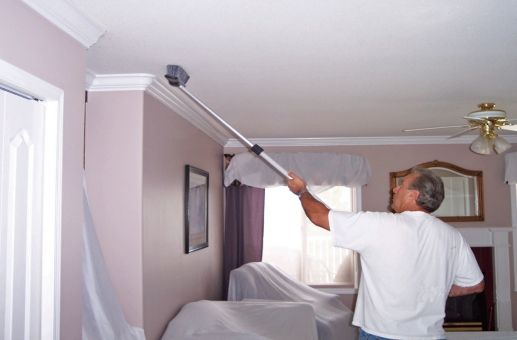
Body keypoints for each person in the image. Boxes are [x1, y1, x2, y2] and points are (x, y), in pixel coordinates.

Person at [287, 167, 484, 340]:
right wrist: (438, 289)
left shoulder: (381, 225)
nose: (394, 189)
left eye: (401, 186)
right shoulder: (452, 235)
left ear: (413, 196)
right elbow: (476, 285)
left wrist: (302, 191)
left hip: (382, 335)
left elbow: (320, 217)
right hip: (431, 335)